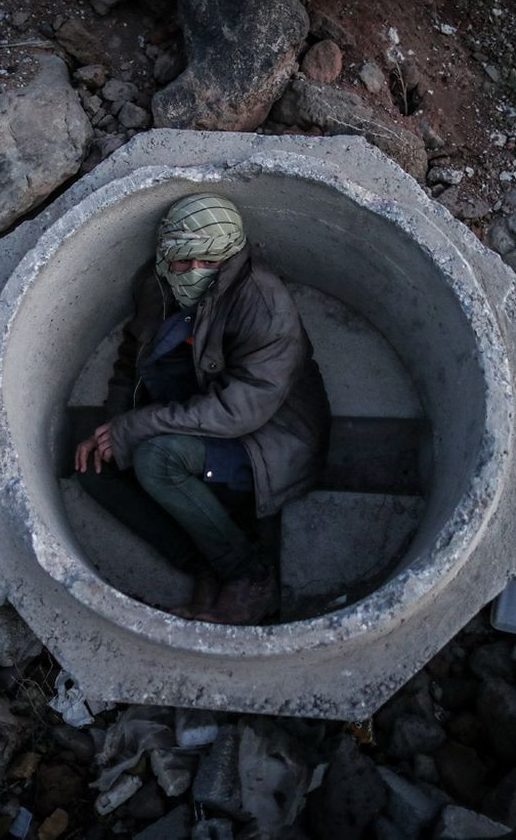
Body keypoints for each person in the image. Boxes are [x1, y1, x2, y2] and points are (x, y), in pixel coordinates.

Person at [74, 192, 330, 625]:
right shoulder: (156, 289)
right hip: (192, 413)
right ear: (166, 258)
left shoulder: (263, 304)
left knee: (157, 459)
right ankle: (208, 561)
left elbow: (242, 410)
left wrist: (138, 427)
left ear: (229, 256)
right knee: (93, 468)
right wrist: (114, 427)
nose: (194, 273)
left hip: (267, 439)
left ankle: (249, 577)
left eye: (208, 262)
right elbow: (128, 363)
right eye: (183, 262)